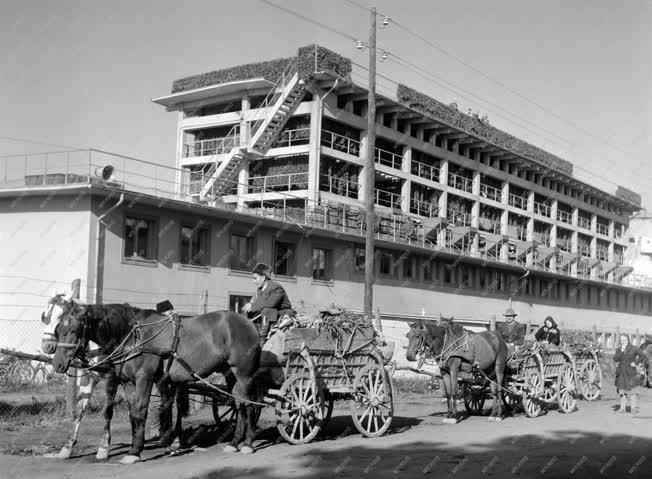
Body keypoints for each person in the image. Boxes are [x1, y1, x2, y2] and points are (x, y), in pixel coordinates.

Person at [242, 263, 294, 344]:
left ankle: (262, 339)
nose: (253, 281)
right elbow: (258, 302)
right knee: (249, 314)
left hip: (282, 314)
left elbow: (270, 303)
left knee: (267, 310)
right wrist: (247, 309)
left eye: (255, 278)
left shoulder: (276, 287)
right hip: (269, 315)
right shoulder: (260, 289)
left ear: (263, 278)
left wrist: (251, 306)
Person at [614, 334, 645, 414]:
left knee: (632, 390)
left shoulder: (633, 348)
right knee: (621, 390)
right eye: (621, 340)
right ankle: (622, 408)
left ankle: (633, 408)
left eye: (624, 340)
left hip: (631, 372)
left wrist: (635, 362)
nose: (623, 342)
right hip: (621, 372)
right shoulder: (619, 349)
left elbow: (643, 355)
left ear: (628, 340)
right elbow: (615, 359)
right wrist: (621, 351)